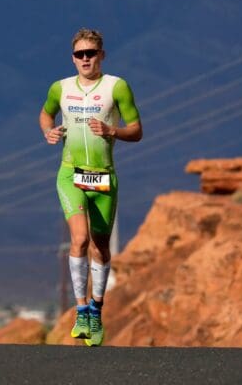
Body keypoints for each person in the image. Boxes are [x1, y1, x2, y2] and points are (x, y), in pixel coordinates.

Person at [39, 28, 142, 346]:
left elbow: (136, 130)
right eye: (79, 54)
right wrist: (49, 132)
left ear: (102, 56)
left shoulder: (116, 87)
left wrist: (113, 131)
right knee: (79, 240)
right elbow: (45, 114)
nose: (85, 59)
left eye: (91, 53)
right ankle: (81, 309)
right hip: (70, 174)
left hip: (103, 177)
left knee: (100, 246)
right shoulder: (61, 88)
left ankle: (96, 308)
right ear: (73, 58)